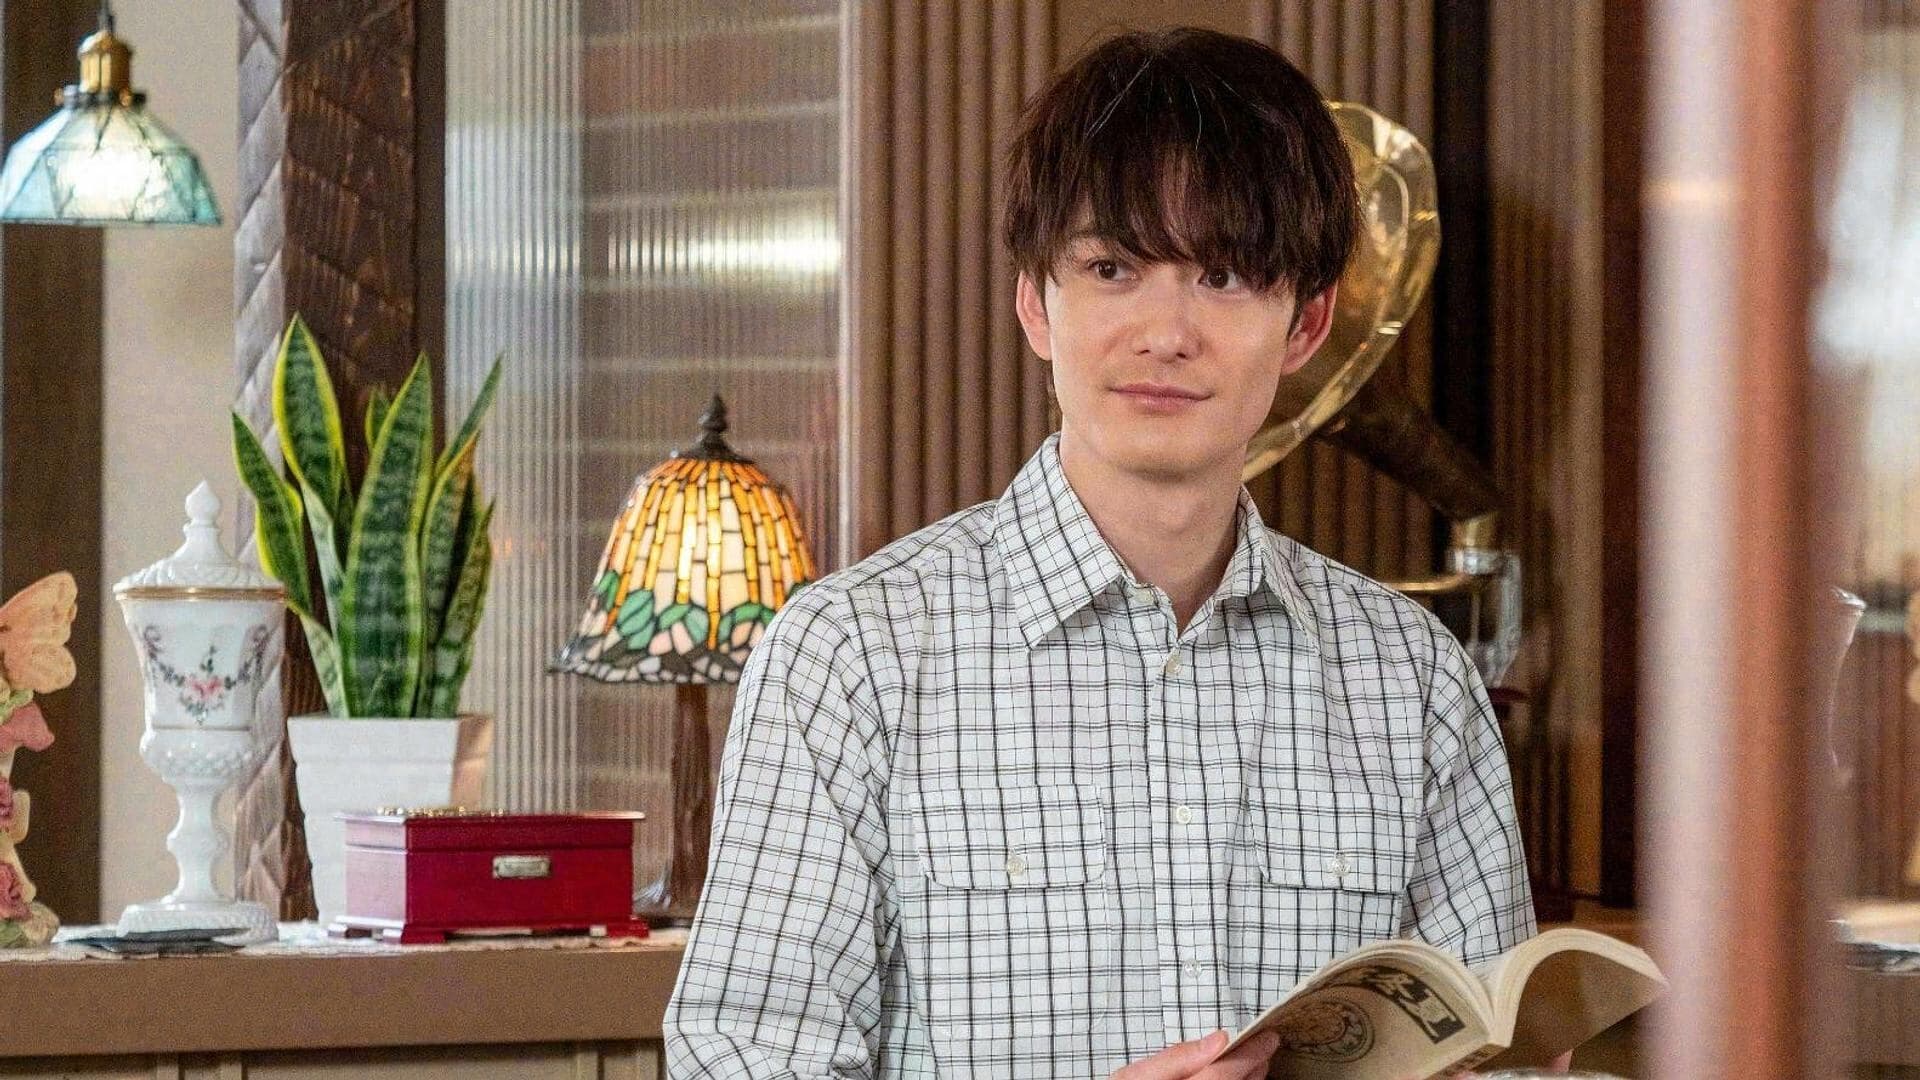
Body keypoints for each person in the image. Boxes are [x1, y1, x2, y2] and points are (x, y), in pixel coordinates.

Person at [665, 26, 1538, 1079]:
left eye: (1223, 274)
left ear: (1307, 326)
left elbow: (1496, 1051)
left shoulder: (1413, 675)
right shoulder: (851, 655)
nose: (1165, 332)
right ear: (1036, 303)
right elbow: (744, 1060)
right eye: (1112, 267)